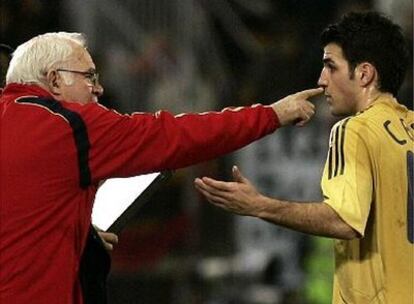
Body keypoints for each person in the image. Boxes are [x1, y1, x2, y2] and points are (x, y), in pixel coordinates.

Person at [0, 32, 321, 303]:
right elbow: (174, 136)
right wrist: (271, 115)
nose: (98, 88)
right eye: (89, 76)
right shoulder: (68, 126)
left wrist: (73, 230)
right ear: (55, 79)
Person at [195, 11, 413, 304]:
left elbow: (345, 221)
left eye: (330, 67)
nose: (321, 80)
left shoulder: (355, 129)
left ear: (364, 74)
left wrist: (259, 205)